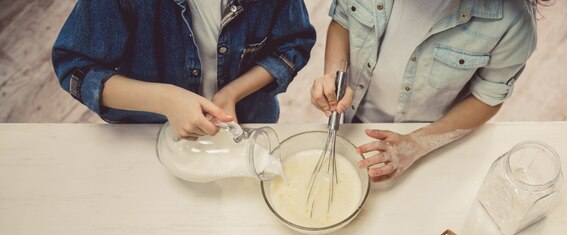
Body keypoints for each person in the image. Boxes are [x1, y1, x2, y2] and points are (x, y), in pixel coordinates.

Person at [311, 0, 540, 182]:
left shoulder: (513, 21)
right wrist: (334, 74)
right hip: (354, 120)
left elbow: (487, 98)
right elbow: (344, 20)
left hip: (428, 138)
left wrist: (417, 144)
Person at [52, 0, 316, 139]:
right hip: (148, 135)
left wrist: (233, 92)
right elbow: (76, 68)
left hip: (247, 125)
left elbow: (293, 44)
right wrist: (164, 100)